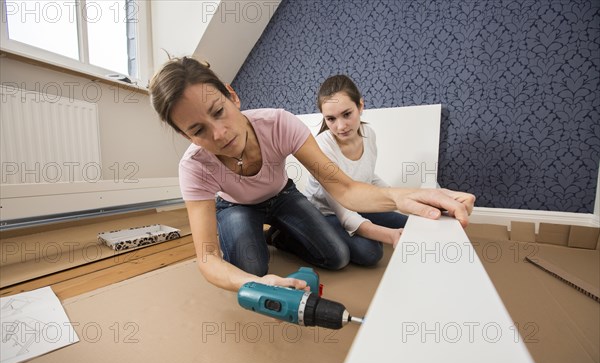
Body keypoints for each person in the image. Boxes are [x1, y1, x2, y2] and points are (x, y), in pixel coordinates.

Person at [149, 56, 475, 292]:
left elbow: (345, 189)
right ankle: (259, 242)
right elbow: (207, 259)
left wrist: (408, 196)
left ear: (232, 96)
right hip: (235, 206)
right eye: (198, 130)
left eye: (219, 111)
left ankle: (277, 234)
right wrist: (255, 283)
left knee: (337, 256)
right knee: (252, 269)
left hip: (282, 196)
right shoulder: (194, 167)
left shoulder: (278, 123)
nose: (218, 134)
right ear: (186, 136)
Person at [305, 75, 407, 266]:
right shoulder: (322, 148)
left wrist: (401, 199)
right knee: (370, 252)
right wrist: (391, 235)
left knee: (409, 224)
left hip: (357, 203)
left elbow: (368, 177)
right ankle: (285, 236)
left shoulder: (369, 134)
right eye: (331, 119)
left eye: (347, 114)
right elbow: (344, 214)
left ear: (360, 106)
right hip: (326, 213)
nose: (341, 126)